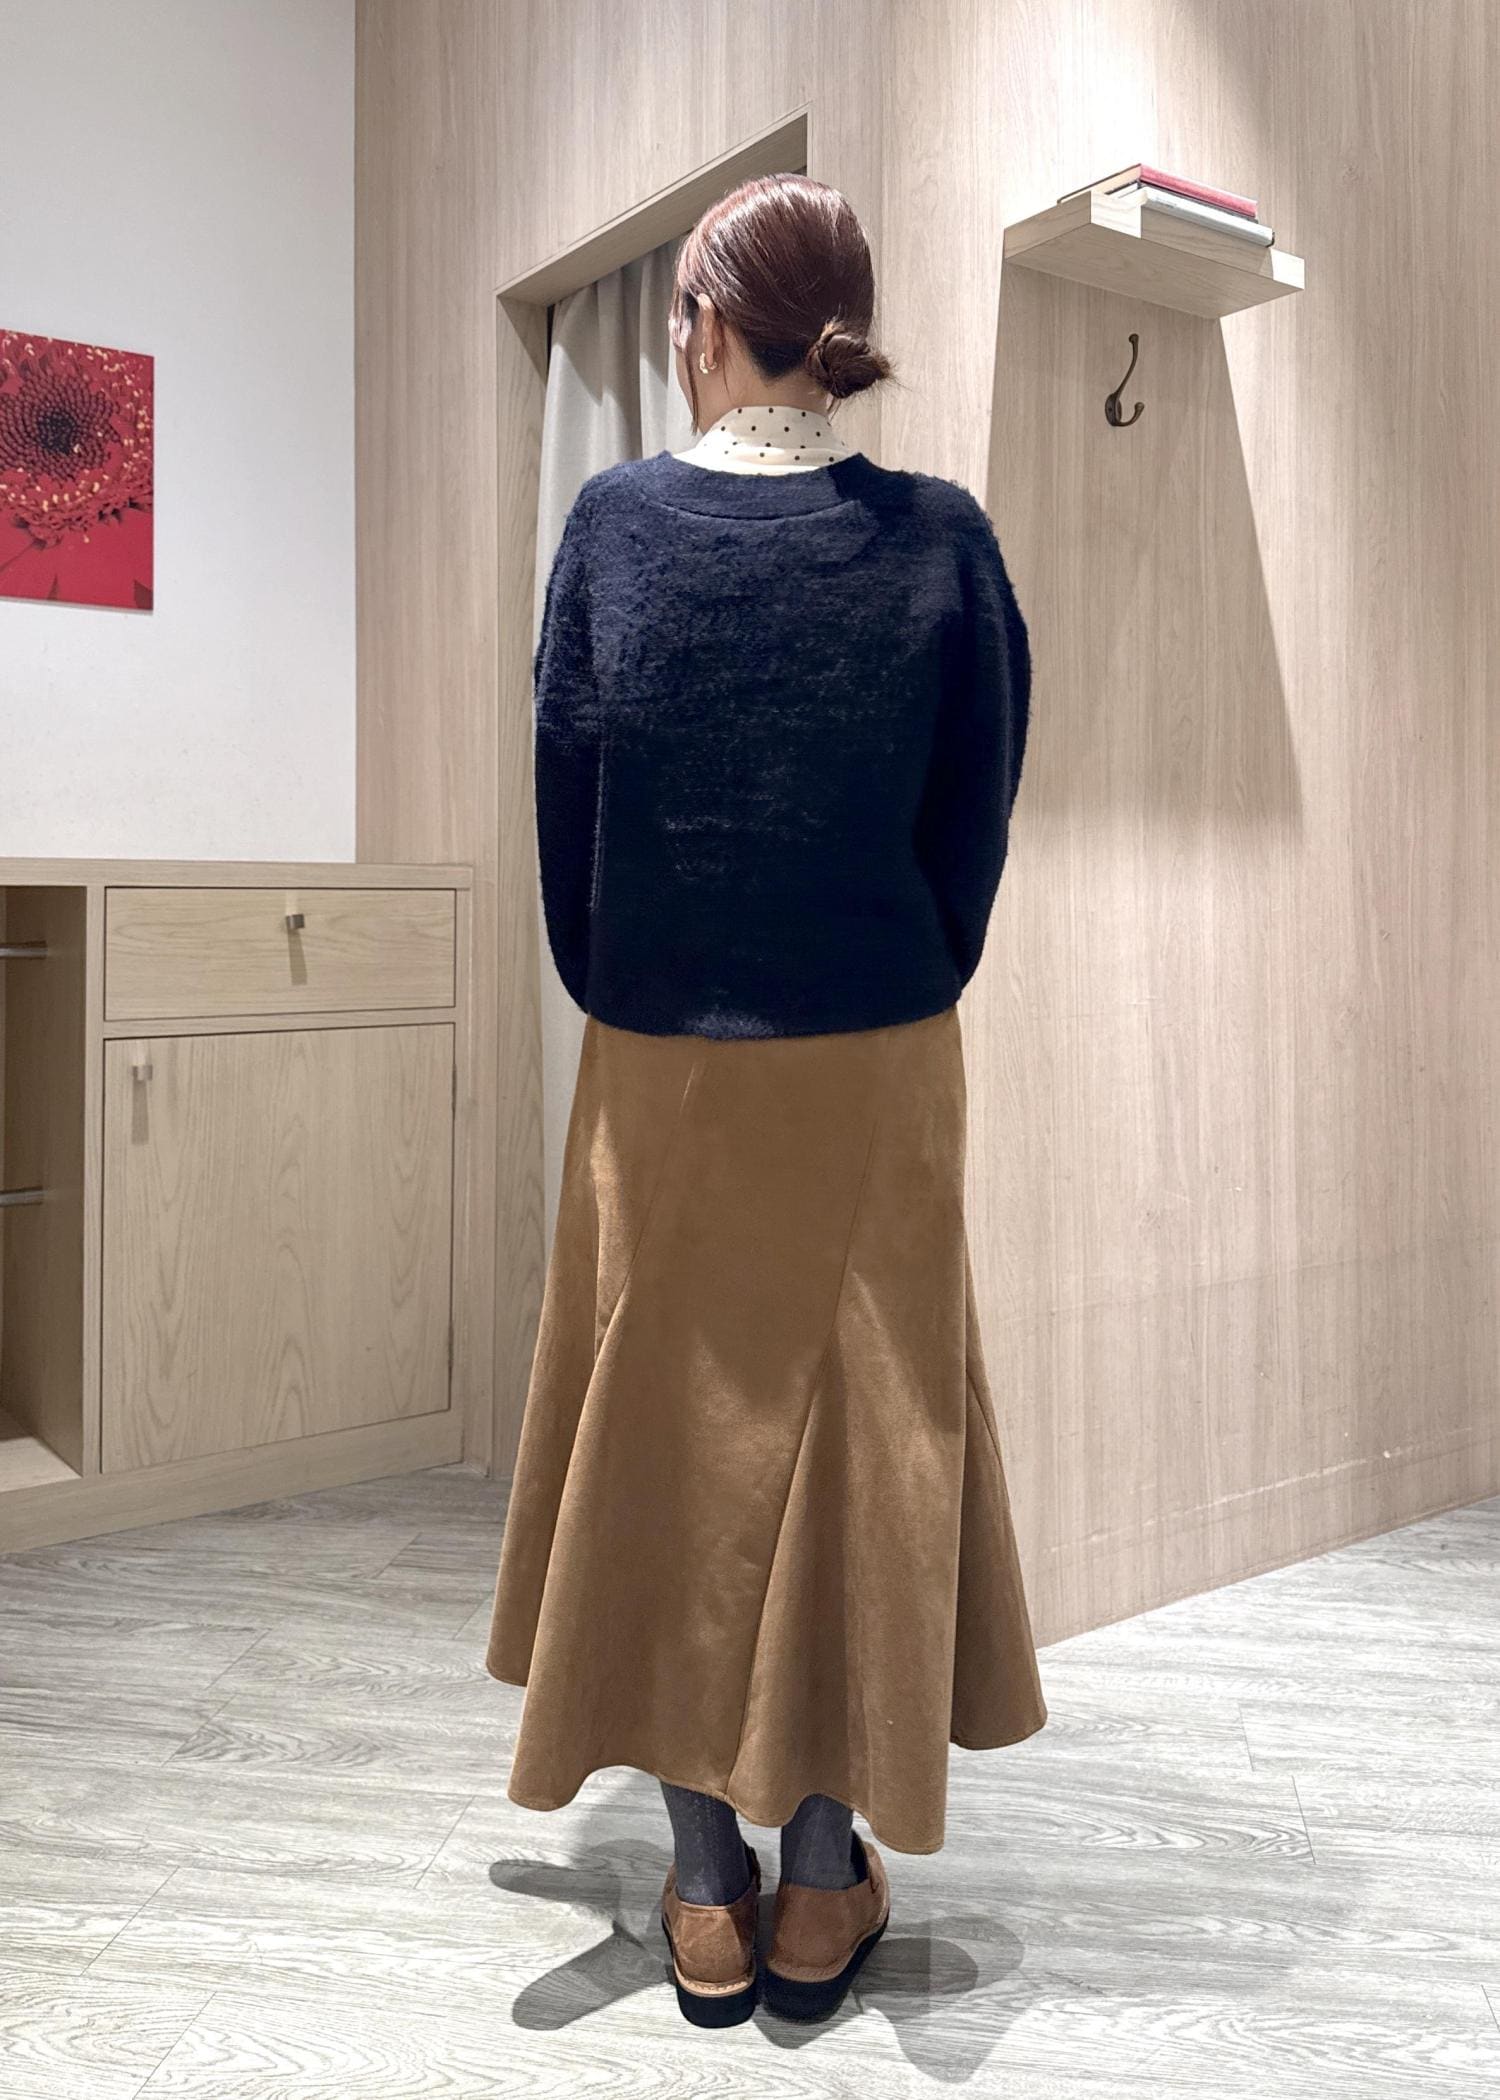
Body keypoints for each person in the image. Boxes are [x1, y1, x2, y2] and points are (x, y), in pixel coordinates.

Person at [485, 171, 1046, 2030]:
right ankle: (821, 1888)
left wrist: (638, 980)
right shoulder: (941, 542)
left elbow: (568, 807)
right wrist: (891, 968)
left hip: (662, 1067)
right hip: (878, 1063)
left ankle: (705, 1895)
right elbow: (972, 826)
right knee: (861, 1454)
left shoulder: (615, 529)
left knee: (662, 1443)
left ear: (704, 328)